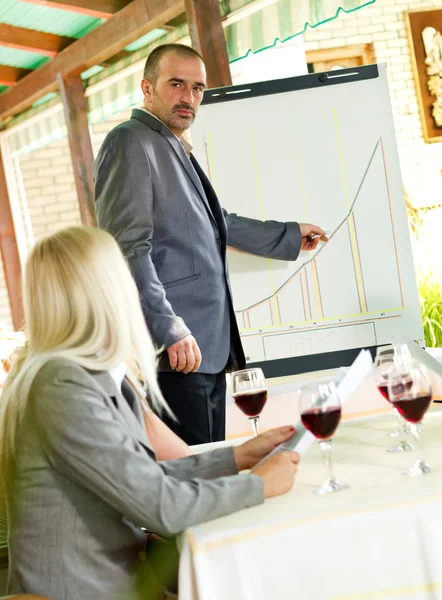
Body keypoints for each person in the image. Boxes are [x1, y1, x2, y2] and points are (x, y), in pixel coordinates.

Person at [0, 226, 300, 600]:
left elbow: (143, 478)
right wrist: (258, 485)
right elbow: (161, 507)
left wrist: (239, 457)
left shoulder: (77, 374)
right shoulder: (61, 384)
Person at [94, 43, 327, 445]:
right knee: (197, 473)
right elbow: (127, 246)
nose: (189, 98)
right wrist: (169, 328)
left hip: (206, 345)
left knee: (212, 459)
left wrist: (288, 235)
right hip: (178, 349)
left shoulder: (170, 145)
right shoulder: (130, 142)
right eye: (177, 84)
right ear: (147, 88)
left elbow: (217, 225)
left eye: (198, 88)